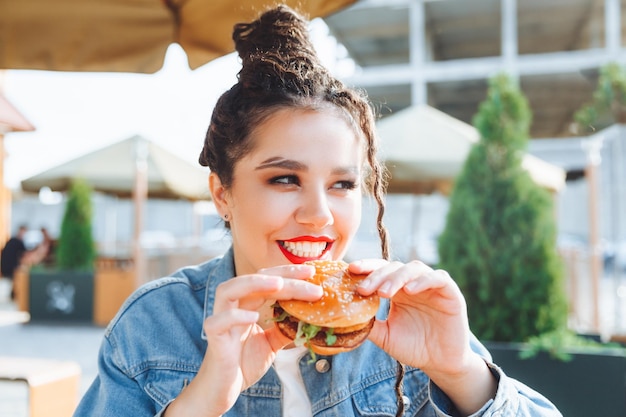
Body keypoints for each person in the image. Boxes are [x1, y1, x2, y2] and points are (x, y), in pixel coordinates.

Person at [74, 5, 562, 417]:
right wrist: (203, 399)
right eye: (284, 179)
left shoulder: (406, 314)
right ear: (222, 193)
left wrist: (461, 372)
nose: (319, 214)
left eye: (343, 184)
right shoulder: (153, 326)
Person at [1, 224, 28, 299]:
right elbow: (24, 253)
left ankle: (13, 294)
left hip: (9, 265)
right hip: (11, 266)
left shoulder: (13, 241)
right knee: (14, 280)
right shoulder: (16, 242)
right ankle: (13, 294)